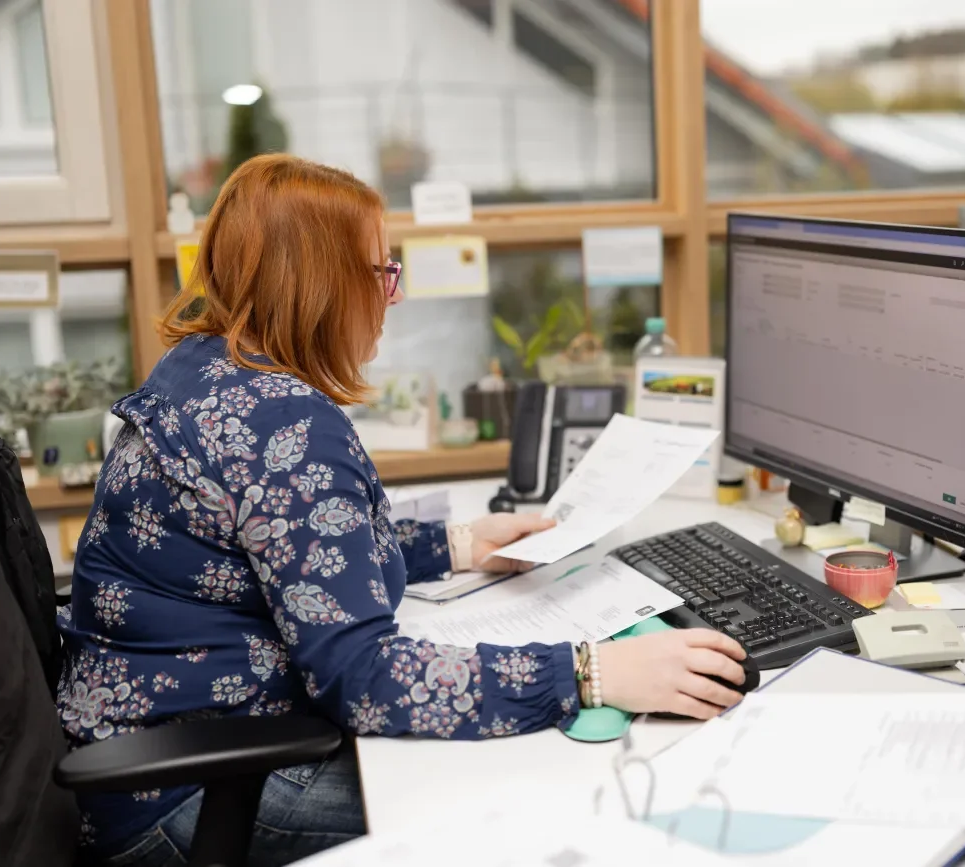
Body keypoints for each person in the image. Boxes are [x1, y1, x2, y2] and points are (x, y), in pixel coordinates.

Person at [57, 154, 748, 867]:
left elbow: (299, 543)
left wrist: (458, 544)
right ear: (323, 285)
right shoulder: (287, 429)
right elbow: (363, 675)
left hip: (140, 744)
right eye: (383, 272)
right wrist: (589, 673)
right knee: (541, 794)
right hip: (195, 791)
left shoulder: (205, 368)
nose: (395, 295)